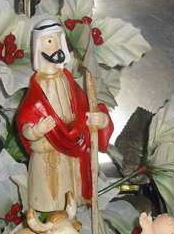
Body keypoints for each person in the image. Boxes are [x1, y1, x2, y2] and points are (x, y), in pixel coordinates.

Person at [16, 21, 113, 212]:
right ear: (38, 46)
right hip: (48, 158)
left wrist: (100, 120)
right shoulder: (36, 88)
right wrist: (37, 131)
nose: (57, 47)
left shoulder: (67, 80)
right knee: (52, 205)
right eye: (50, 41)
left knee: (71, 205)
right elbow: (25, 122)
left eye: (59, 41)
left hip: (72, 155)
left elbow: (86, 110)